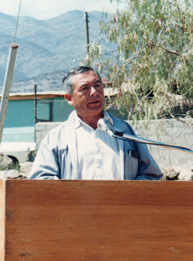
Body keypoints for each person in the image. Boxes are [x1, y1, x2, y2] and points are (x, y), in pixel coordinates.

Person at [29, 66, 163, 181]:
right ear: (69, 98)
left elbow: (151, 175)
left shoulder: (125, 131)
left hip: (121, 209)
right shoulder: (56, 138)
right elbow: (40, 181)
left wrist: (128, 194)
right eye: (85, 88)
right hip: (77, 210)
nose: (94, 92)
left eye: (98, 86)